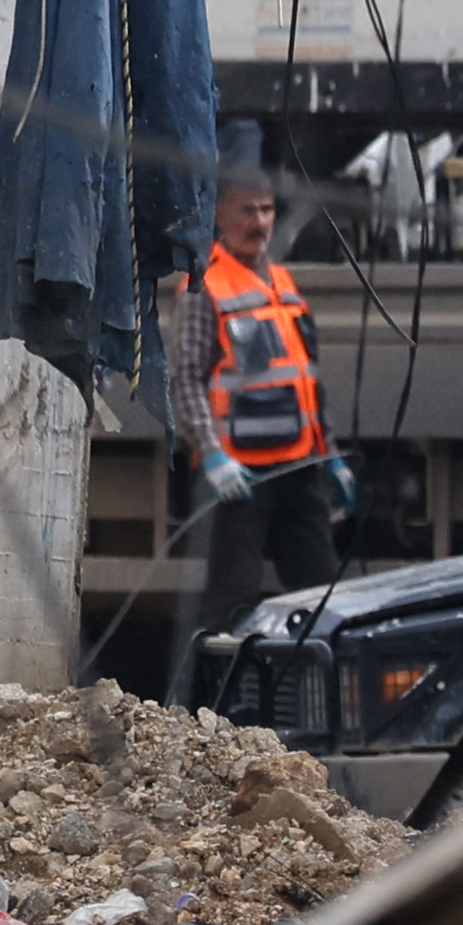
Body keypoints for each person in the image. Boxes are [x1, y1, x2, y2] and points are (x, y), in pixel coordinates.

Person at [156, 169, 340, 702]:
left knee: (324, 592)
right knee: (229, 606)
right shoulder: (204, 286)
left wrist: (329, 458)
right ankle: (205, 713)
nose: (258, 223)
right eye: (246, 211)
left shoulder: (282, 283)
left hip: (298, 471)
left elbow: (306, 379)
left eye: (266, 211)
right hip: (237, 481)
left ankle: (317, 703)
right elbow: (185, 377)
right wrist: (210, 455)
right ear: (220, 216)